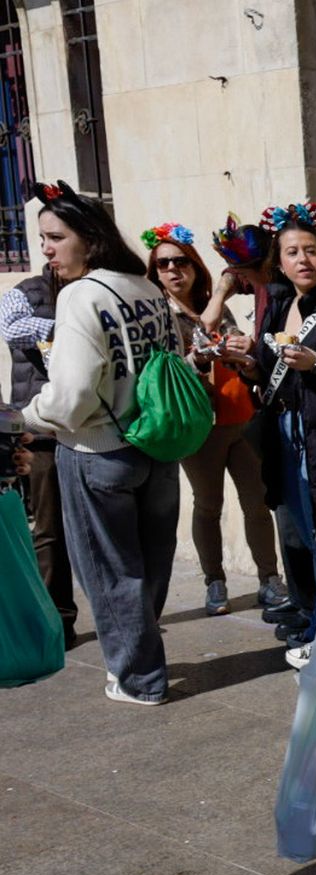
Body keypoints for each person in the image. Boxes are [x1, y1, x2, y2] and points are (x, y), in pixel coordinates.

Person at [18, 181, 182, 705]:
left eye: (55, 237)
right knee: (153, 561)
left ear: (88, 239)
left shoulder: (81, 296)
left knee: (111, 572)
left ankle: (139, 677)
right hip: (156, 445)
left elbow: (70, 399)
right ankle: (142, 654)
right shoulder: (146, 286)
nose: (46, 249)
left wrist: (27, 415)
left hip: (97, 452)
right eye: (43, 239)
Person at [232, 201, 316, 669]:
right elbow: (268, 373)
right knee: (291, 534)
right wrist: (247, 361)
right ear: (280, 261)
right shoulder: (280, 306)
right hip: (284, 436)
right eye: (292, 252)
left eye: (311, 251)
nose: (303, 260)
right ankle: (313, 619)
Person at [143, 222, 285, 616]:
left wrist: (245, 348)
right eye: (164, 264)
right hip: (201, 425)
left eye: (181, 261)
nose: (174, 270)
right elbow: (161, 374)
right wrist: (197, 359)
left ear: (195, 266)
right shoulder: (158, 315)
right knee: (209, 505)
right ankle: (215, 580)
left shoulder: (213, 303)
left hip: (241, 415)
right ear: (154, 273)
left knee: (257, 503)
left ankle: (269, 579)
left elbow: (239, 345)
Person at [209, 212, 316, 633]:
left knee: (302, 523)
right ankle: (302, 599)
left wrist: (253, 358)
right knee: (286, 517)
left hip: (300, 423)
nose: (243, 280)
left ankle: (311, 610)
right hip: (273, 417)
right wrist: (247, 359)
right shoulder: (262, 291)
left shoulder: (280, 295)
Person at [0, 262, 76, 646]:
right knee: (48, 529)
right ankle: (58, 618)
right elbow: (10, 329)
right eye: (48, 240)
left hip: (86, 426)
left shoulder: (94, 287)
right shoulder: (23, 291)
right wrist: (66, 329)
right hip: (41, 426)